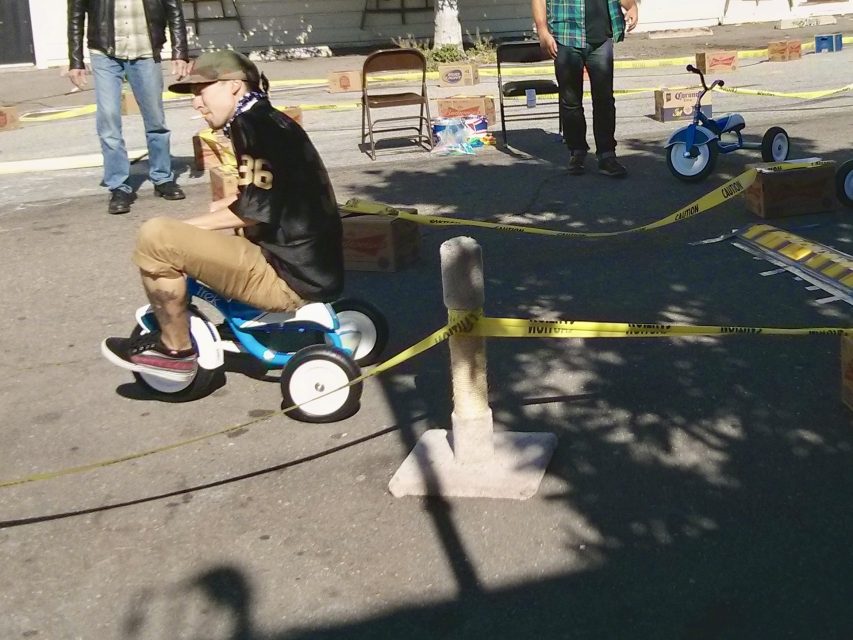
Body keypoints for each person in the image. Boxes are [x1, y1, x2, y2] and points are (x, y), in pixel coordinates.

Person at [101, 51, 344, 381]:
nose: (196, 103)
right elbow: (267, 193)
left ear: (234, 85)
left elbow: (252, 212)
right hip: (312, 266)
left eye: (201, 90)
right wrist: (213, 216)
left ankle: (175, 350)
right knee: (197, 222)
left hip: (289, 277)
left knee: (156, 238)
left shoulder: (253, 128)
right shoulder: (267, 119)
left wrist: (182, 230)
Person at [68, 0, 189, 214]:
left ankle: (162, 178)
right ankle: (119, 185)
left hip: (146, 53)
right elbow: (75, 15)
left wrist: (179, 53)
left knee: (156, 120)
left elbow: (174, 11)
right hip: (104, 53)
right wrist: (75, 60)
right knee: (109, 119)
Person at [532, 0, 638, 177]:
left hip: (602, 37)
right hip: (567, 36)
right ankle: (577, 151)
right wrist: (542, 31)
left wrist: (632, 6)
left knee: (604, 100)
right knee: (571, 101)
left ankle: (607, 155)